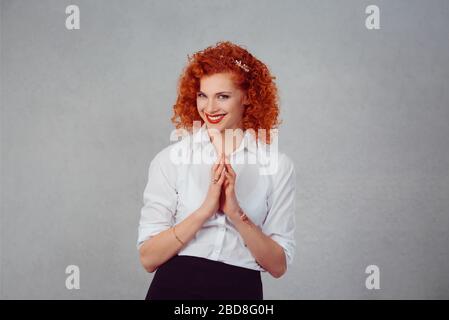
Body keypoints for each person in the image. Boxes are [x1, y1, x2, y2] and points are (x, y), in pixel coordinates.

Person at [137, 41, 296, 300]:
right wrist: (205, 210)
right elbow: (148, 258)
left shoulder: (278, 166)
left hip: (240, 292)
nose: (209, 108)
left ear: (247, 96)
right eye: (203, 95)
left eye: (222, 96)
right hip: (174, 288)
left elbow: (277, 266)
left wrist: (235, 213)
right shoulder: (170, 160)